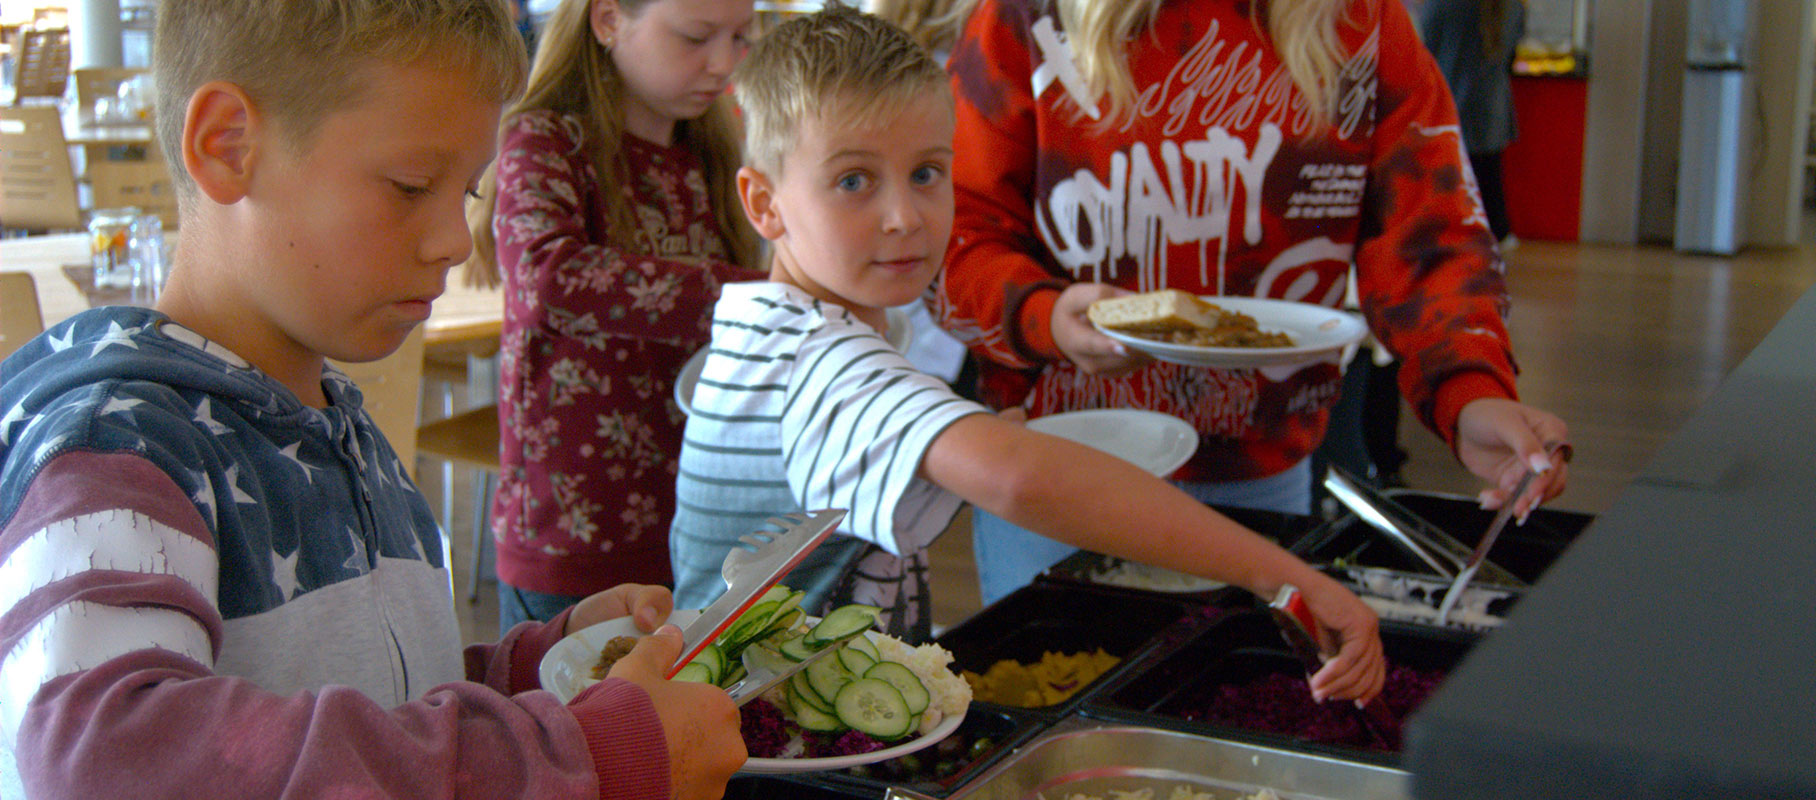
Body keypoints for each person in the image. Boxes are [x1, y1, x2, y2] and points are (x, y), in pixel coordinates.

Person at [0, 1, 743, 797]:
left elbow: (365, 698)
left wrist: (535, 670)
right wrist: (572, 756)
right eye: (411, 185)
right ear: (229, 146)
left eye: (462, 194)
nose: (458, 242)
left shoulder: (338, 427)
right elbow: (102, 758)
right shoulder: (119, 450)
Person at [670, 2, 1387, 704]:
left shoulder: (778, 326)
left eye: (926, 173)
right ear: (764, 205)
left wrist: (963, 449)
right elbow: (1021, 482)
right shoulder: (820, 363)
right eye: (853, 181)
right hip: (753, 749)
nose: (904, 216)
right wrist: (1288, 576)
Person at [935, 0, 1572, 604]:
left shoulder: (1359, 21)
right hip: (1057, 468)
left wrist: (1471, 391)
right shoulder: (1027, 17)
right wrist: (1042, 316)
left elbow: (1431, 237)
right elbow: (954, 236)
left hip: (1258, 468)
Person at [463, 0, 764, 631]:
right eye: (695, 36)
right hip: (573, 533)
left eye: (740, 38)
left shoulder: (708, 150)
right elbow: (548, 276)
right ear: (607, 21)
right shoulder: (545, 139)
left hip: (694, 519)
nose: (722, 64)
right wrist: (757, 295)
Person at [1415, 0, 1525, 248]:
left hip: (1451, 104)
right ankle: (1499, 233)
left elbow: (1424, 54)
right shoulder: (1512, 6)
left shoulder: (1442, 5)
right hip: (1492, 108)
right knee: (1490, 177)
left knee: (1448, 183)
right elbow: (1511, 56)